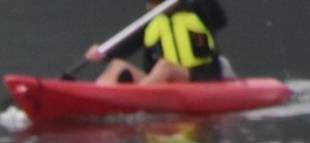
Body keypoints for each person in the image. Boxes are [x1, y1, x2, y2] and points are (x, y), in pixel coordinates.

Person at [86, 0, 228, 86]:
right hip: (160, 83)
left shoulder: (198, 11)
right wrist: (102, 53)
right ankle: (94, 97)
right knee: (117, 65)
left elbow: (221, 20)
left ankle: (137, 99)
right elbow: (125, 46)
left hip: (200, 78)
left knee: (165, 65)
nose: (154, 4)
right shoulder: (152, 22)